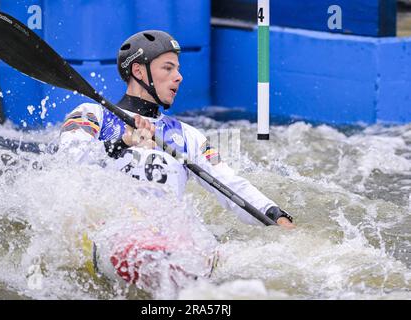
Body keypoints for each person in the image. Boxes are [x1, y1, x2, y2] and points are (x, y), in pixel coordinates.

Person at [58, 30, 295, 291]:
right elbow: (69, 163)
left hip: (168, 236)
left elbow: (231, 184)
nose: (179, 77)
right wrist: (123, 142)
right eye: (168, 68)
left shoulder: (188, 136)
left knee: (258, 266)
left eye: (178, 69)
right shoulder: (92, 114)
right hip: (109, 231)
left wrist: (277, 217)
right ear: (139, 71)